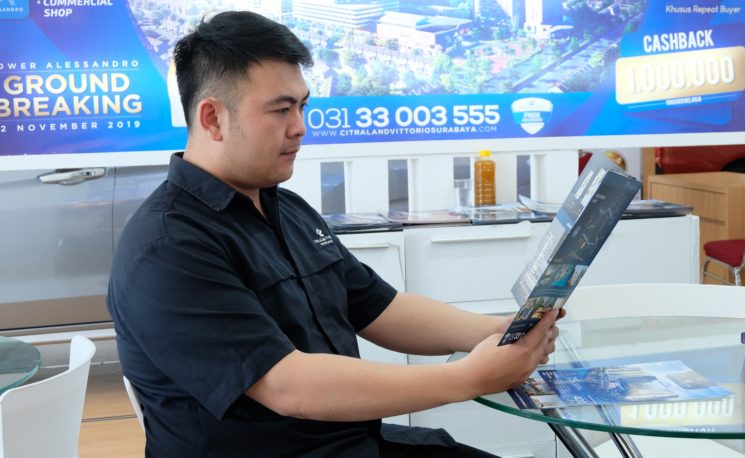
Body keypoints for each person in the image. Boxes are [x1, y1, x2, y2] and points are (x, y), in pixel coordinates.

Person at [107, 11, 563, 458]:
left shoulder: (286, 209)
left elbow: (381, 308)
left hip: (353, 443)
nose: (300, 127)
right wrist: (469, 378)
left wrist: (498, 332)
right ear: (212, 118)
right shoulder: (168, 247)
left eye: (302, 106)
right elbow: (289, 386)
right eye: (281, 110)